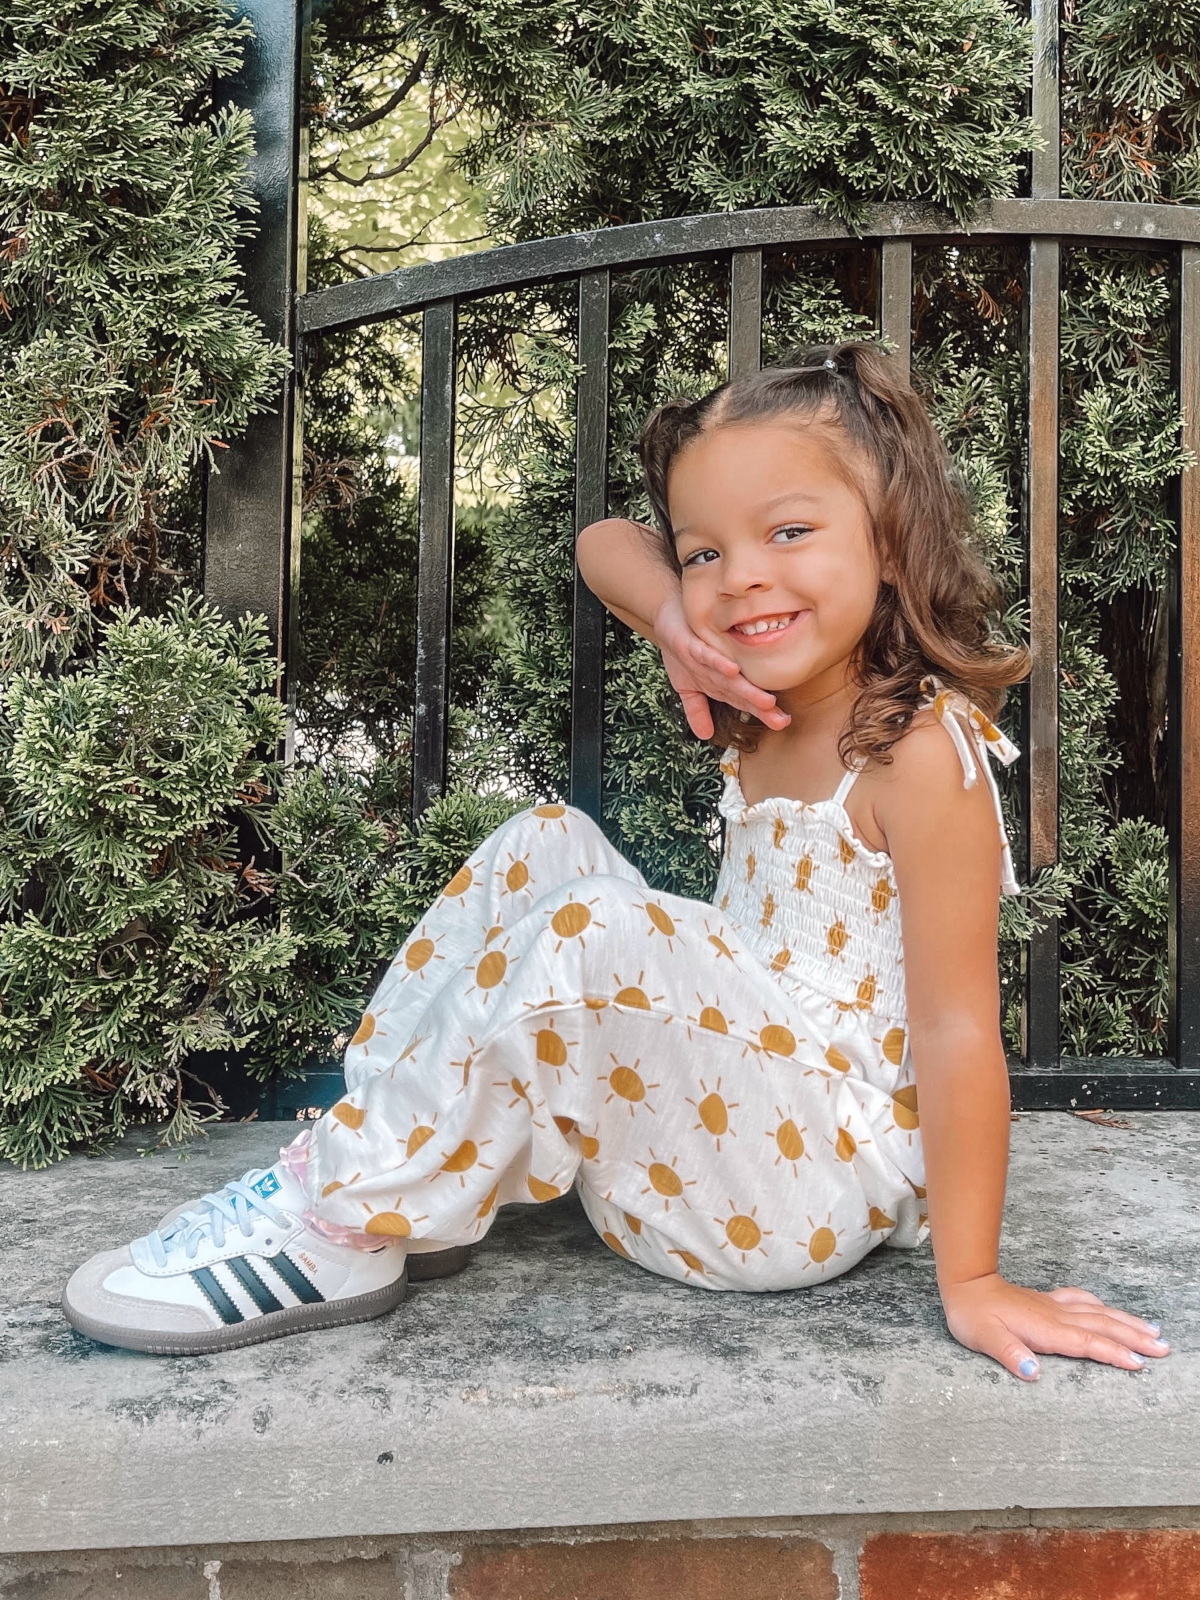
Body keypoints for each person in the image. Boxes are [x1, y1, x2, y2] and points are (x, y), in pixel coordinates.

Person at [63, 341, 1168, 1381]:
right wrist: (673, 619)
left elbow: (960, 1029)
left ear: (892, 536)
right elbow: (603, 543)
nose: (740, 578)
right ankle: (399, 1182)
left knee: (594, 923)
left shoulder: (919, 749)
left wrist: (973, 1281)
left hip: (809, 1188)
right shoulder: (756, 698)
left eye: (789, 533)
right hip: (717, 1153)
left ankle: (343, 1213)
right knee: (547, 841)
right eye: (706, 552)